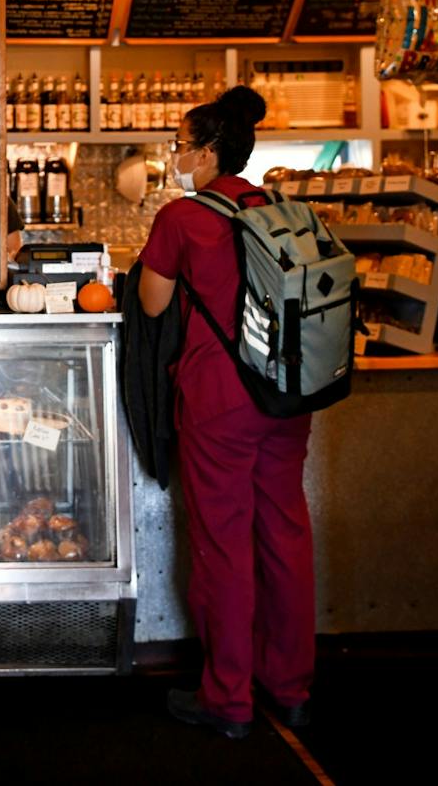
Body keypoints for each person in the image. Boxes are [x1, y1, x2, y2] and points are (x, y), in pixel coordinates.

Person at [136, 85, 315, 740]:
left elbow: (153, 304)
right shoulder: (276, 207)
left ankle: (229, 699)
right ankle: (290, 687)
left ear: (210, 151)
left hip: (219, 401)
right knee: (285, 536)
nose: (178, 156)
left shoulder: (183, 217)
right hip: (288, 393)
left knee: (223, 546)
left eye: (183, 144)